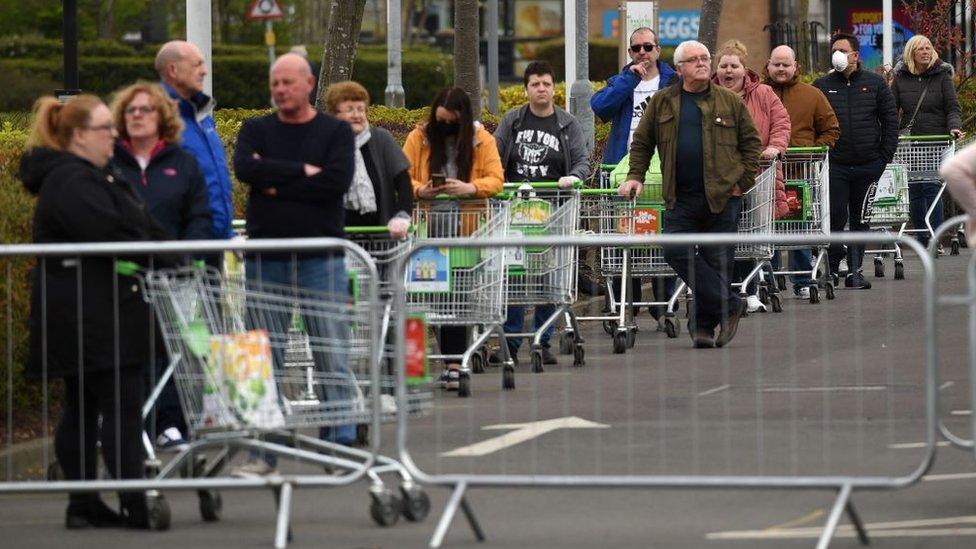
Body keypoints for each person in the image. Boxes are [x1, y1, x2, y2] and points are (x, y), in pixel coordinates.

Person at [20, 94, 167, 529]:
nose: (115, 136)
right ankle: (129, 504)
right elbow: (112, 230)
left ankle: (84, 503)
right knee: (117, 407)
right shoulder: (73, 181)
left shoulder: (88, 176)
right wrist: (161, 251)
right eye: (106, 128)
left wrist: (172, 249)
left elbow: (131, 223)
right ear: (80, 135)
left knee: (84, 407)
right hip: (93, 316)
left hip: (96, 311)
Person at [232, 53, 356, 475]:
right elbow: (246, 168)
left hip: (322, 259)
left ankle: (339, 444)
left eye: (288, 82)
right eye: (275, 83)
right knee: (266, 358)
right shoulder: (256, 129)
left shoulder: (335, 131)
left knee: (331, 353)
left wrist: (275, 182)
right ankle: (263, 452)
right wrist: (303, 172)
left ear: (309, 84)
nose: (280, 90)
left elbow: (336, 182)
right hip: (268, 260)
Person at [619, 40, 762, 349]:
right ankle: (730, 304)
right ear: (680, 67)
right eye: (694, 60)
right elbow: (642, 144)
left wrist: (742, 182)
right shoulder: (662, 102)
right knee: (674, 250)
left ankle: (702, 328)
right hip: (680, 196)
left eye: (705, 58)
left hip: (722, 196)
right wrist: (634, 177)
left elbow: (752, 145)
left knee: (717, 262)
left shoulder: (729, 101)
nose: (702, 63)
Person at [109, 82, 212, 450]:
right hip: (123, 278)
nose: (137, 116)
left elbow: (199, 214)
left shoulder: (182, 163)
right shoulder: (108, 163)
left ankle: (169, 425)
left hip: (173, 276)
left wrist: (189, 252)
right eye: (130, 110)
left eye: (145, 110)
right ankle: (131, 426)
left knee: (170, 350)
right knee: (128, 352)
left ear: (161, 118)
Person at [403, 87, 504, 388]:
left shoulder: (480, 140)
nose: (445, 127)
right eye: (441, 121)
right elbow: (401, 175)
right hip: (428, 228)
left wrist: (470, 188)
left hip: (466, 227)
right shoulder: (418, 138)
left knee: (458, 295)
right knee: (435, 295)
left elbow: (496, 178)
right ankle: (450, 359)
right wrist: (421, 190)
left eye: (451, 122)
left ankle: (453, 363)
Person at [492, 60, 590, 365]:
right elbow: (493, 157)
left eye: (546, 83)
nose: (541, 89)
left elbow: (582, 162)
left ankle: (543, 338)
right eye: (535, 84)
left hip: (554, 211)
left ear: (554, 88)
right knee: (515, 276)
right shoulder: (513, 121)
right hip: (516, 211)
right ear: (526, 89)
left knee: (551, 276)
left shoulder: (567, 124)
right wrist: (500, 183)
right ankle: (511, 341)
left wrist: (573, 178)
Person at [591, 27, 679, 311]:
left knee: (662, 239)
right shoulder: (621, 80)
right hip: (623, 171)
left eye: (647, 47)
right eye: (636, 48)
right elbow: (601, 107)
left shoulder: (673, 82)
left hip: (662, 171)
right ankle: (624, 304)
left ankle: (664, 305)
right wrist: (629, 79)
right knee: (623, 239)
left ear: (658, 50)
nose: (642, 52)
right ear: (629, 53)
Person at [814, 32, 898, 289]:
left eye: (842, 50)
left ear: (855, 55)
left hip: (868, 164)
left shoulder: (875, 83)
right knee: (836, 217)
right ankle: (834, 265)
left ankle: (855, 271)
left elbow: (890, 121)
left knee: (862, 219)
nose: (836, 54)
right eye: (834, 50)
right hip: (836, 165)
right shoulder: (821, 85)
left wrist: (883, 157)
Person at [712, 40, 790, 313]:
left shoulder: (765, 94)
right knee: (725, 235)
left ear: (745, 70)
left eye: (734, 66)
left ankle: (751, 290)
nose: (728, 71)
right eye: (724, 66)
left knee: (755, 235)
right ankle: (727, 291)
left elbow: (781, 123)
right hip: (720, 180)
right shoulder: (706, 95)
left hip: (758, 174)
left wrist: (774, 148)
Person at [765, 44, 841, 299]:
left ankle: (802, 280)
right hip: (765, 172)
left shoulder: (812, 95)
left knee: (800, 224)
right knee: (768, 225)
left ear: (796, 66)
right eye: (776, 64)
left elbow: (831, 128)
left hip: (801, 172)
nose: (781, 69)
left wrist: (814, 151)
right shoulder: (759, 94)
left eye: (786, 64)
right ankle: (769, 276)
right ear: (768, 65)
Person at [155, 40, 235, 241]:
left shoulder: (201, 116)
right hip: (183, 242)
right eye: (197, 65)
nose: (204, 71)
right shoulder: (156, 117)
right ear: (173, 70)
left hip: (213, 238)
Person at [890, 34, 964, 250]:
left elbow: (953, 108)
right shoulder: (901, 78)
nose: (926, 52)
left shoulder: (942, 76)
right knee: (914, 188)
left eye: (928, 48)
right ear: (911, 53)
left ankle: (935, 237)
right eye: (921, 48)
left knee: (932, 186)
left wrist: (954, 127)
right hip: (910, 143)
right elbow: (890, 110)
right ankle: (923, 237)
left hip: (936, 140)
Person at [322, 80, 412, 238]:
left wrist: (402, 216)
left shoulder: (381, 139)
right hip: (337, 237)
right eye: (350, 110)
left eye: (361, 109)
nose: (357, 115)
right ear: (334, 114)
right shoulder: (325, 144)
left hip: (379, 237)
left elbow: (403, 182)